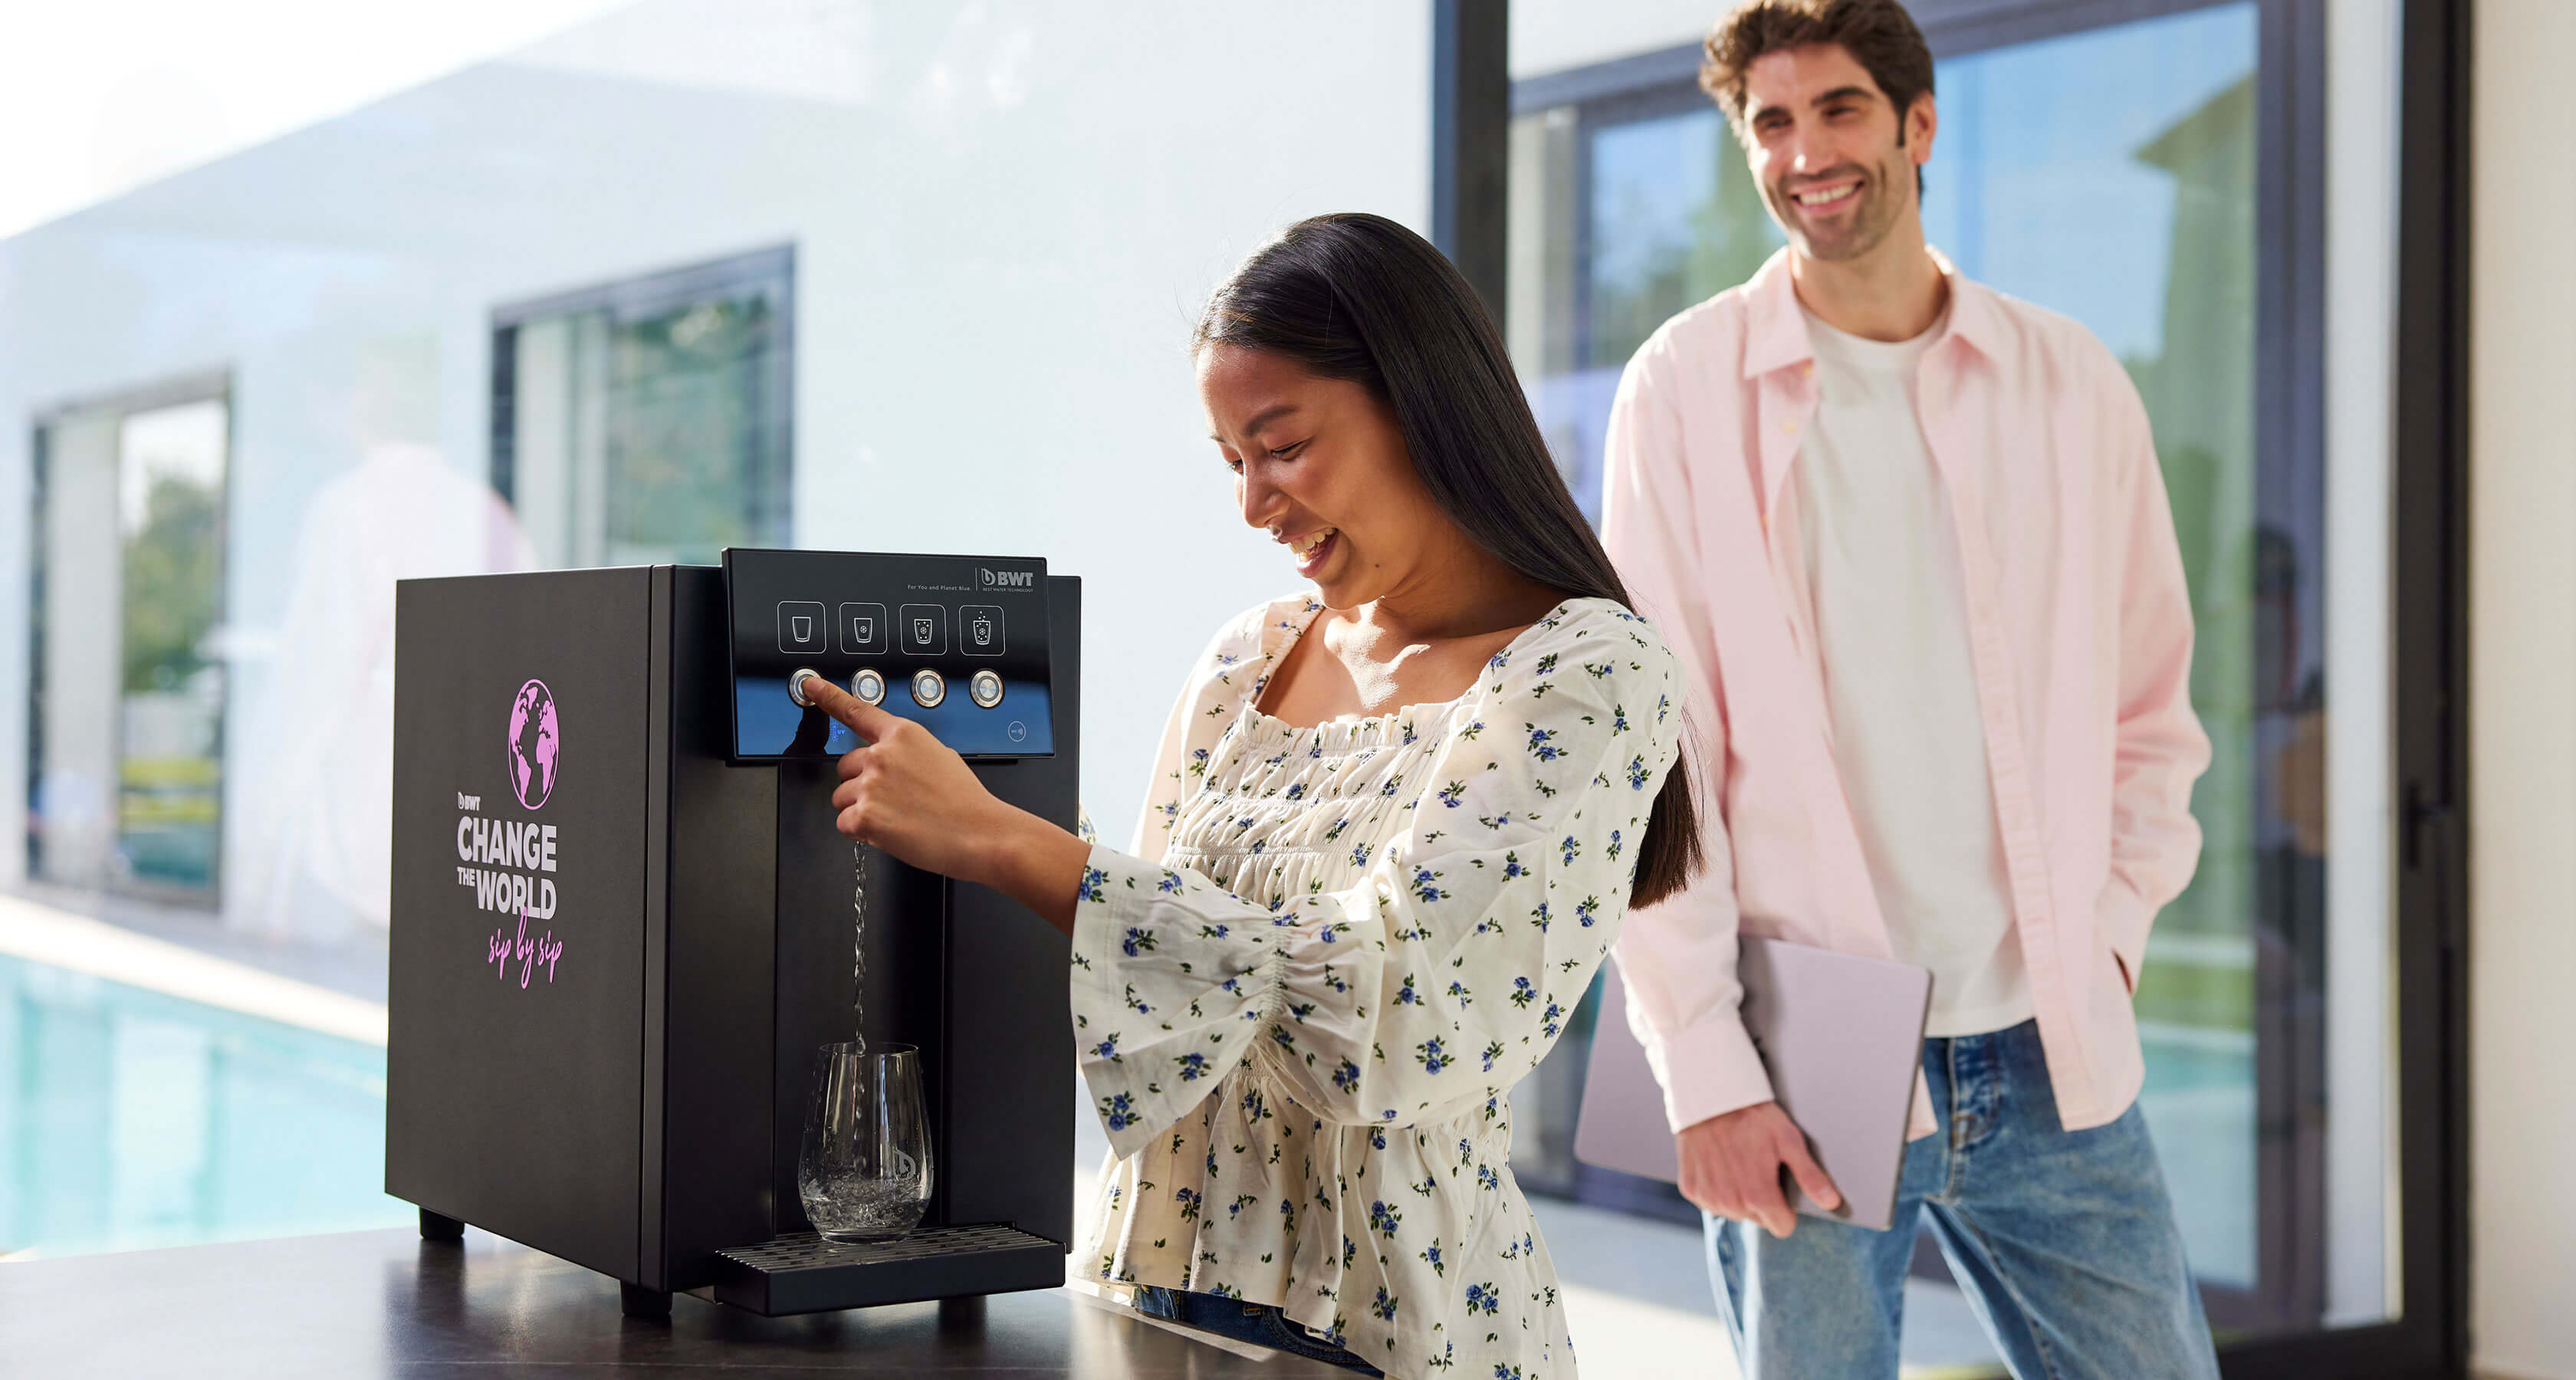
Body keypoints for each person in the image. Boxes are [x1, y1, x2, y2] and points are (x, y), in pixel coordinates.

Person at [797, 212, 1696, 1379]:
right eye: (1232, 461)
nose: (1253, 505)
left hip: (1395, 1323)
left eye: (1281, 446)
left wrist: (1003, 841)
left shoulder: (1587, 671)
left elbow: (1399, 1012)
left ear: (1419, 400)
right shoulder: (1248, 658)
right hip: (1154, 1290)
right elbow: (1153, 985)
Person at [1598, 2, 2220, 1376]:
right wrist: (1703, 1069)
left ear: (1916, 126)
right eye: (1770, 121)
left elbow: (2151, 712)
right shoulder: (1684, 391)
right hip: (1806, 1042)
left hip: (2051, 1032)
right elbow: (1654, 759)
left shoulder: (2067, 383)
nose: (1805, 151)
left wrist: (2109, 938)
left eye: (1837, 111)